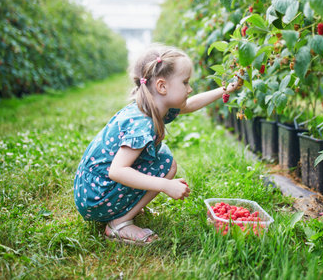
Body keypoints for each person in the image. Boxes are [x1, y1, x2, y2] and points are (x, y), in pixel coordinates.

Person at [73, 44, 238, 245]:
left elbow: (190, 104)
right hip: (95, 196)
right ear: (162, 86)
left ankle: (126, 208)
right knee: (165, 165)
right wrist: (165, 185)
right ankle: (119, 223)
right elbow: (117, 171)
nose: (190, 88)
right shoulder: (141, 124)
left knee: (165, 159)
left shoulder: (153, 106)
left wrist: (225, 90)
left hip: (93, 189)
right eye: (185, 82)